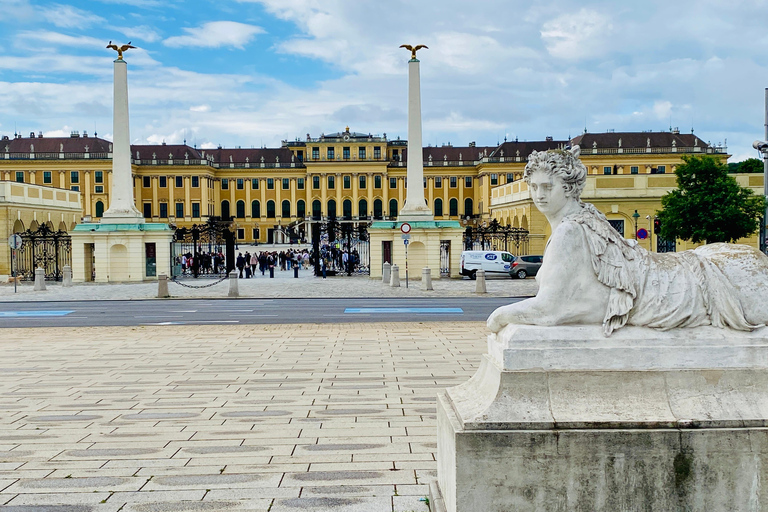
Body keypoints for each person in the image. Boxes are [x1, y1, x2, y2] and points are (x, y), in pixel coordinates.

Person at [487, 146, 768, 337]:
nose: (538, 195)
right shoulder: (586, 217)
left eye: (548, 187)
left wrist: (498, 316)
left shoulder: (570, 231)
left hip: (665, 291)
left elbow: (549, 310)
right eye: (533, 187)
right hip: (671, 271)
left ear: (570, 188)